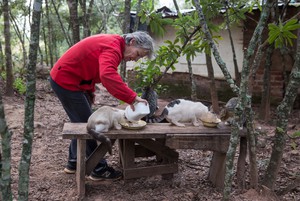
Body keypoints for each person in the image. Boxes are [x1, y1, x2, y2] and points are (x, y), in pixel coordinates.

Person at [49, 31, 154, 181]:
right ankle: (98, 169)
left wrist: (89, 91)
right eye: (138, 54)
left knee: (80, 121)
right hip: (66, 80)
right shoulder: (113, 47)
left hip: (75, 81)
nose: (135, 59)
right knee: (89, 125)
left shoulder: (114, 44)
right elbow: (107, 75)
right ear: (132, 42)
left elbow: (92, 67)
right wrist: (132, 98)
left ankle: (73, 163)